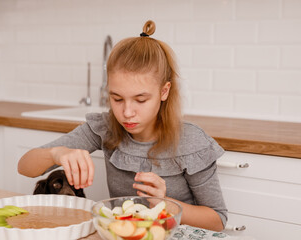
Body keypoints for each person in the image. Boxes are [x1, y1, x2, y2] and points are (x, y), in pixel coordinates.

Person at [18, 20, 227, 231]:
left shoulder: (191, 141)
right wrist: (57, 153)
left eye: (140, 100)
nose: (127, 113)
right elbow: (25, 167)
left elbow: (217, 221)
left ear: (164, 91)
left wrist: (164, 203)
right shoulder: (105, 128)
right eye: (117, 99)